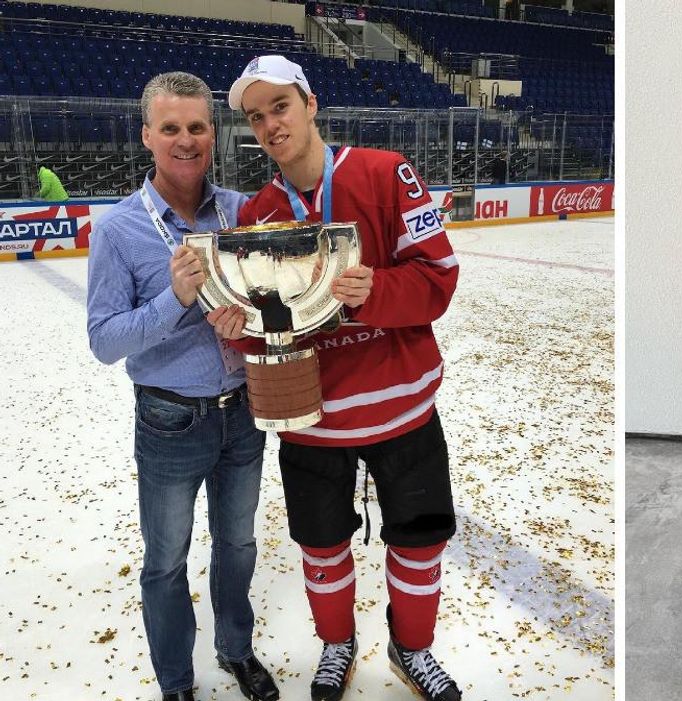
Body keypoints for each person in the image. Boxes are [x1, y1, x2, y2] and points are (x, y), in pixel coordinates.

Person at [209, 55, 461, 701]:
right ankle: (337, 644)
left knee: (420, 541)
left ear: (311, 103)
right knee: (321, 546)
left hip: (405, 411)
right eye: (255, 116)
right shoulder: (260, 217)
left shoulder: (385, 172)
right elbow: (278, 329)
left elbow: (438, 278)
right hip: (314, 422)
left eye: (280, 107)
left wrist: (377, 288)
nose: (270, 124)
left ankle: (413, 648)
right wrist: (243, 327)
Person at [85, 73, 279, 701]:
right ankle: (175, 681)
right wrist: (176, 298)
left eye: (197, 126)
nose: (187, 139)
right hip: (169, 421)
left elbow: (266, 298)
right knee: (166, 561)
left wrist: (248, 316)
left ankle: (236, 650)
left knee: (239, 544)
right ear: (147, 136)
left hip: (243, 411)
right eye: (171, 127)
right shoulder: (119, 230)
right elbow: (105, 341)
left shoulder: (240, 211)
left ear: (212, 132)